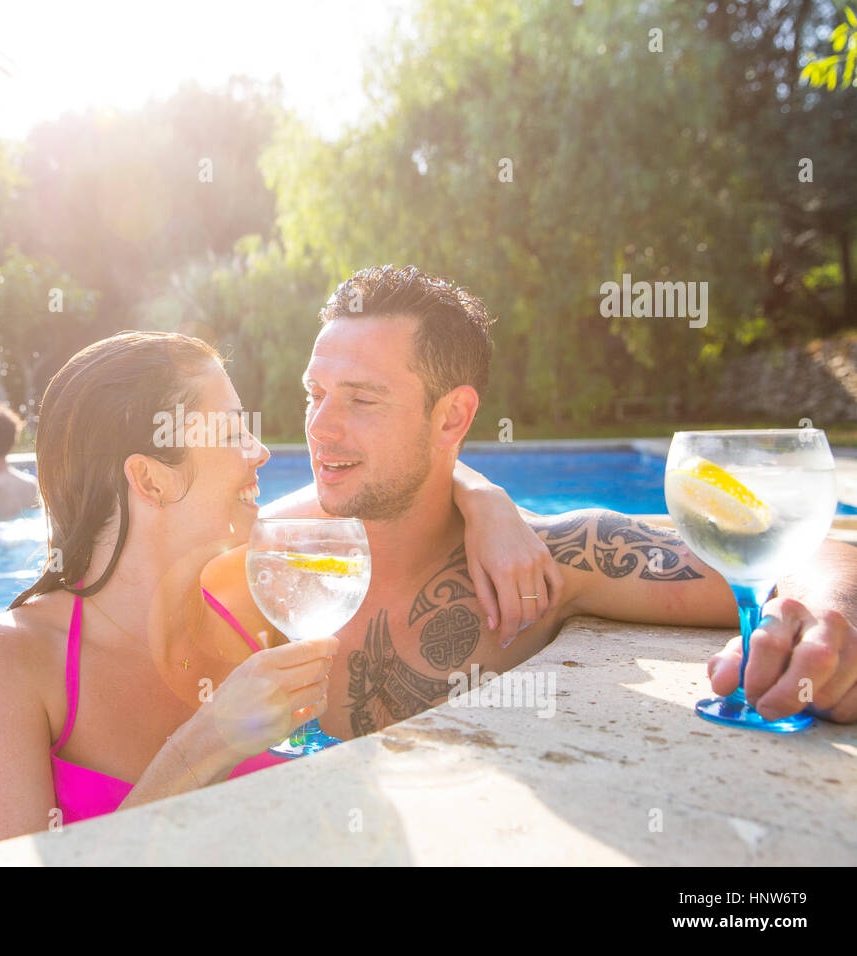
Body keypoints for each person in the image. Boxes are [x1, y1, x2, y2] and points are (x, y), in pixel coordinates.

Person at [202, 265, 857, 741]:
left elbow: (797, 553)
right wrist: (479, 489)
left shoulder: (548, 563)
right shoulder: (273, 556)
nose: (319, 427)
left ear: (451, 417)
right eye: (315, 394)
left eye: (361, 399)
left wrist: (827, 619)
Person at [0, 331, 554, 847]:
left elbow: (391, 483)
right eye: (234, 431)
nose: (260, 451)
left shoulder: (259, 587)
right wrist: (206, 742)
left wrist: (485, 500)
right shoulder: (11, 659)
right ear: (152, 479)